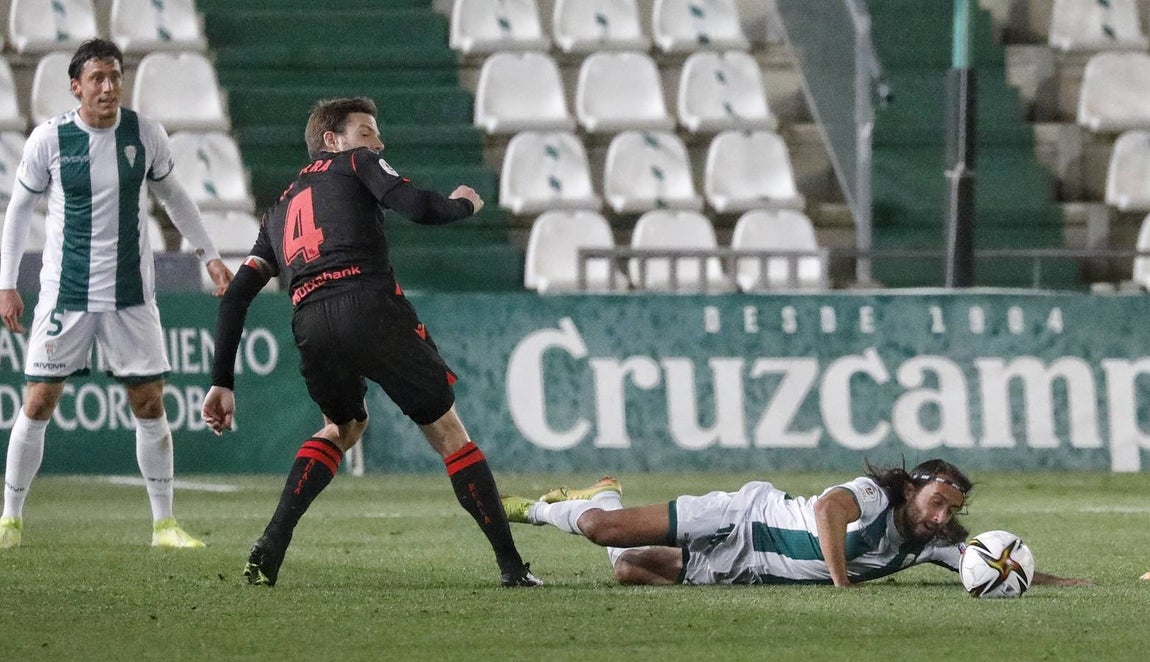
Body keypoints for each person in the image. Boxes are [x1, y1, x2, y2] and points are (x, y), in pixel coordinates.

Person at [200, 97, 541, 588]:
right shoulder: (355, 163)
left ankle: (273, 540)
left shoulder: (276, 211)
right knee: (448, 434)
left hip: (311, 320)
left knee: (342, 425)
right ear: (333, 142)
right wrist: (464, 202)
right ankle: (512, 566)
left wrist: (221, 382)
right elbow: (419, 207)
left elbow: (235, 297)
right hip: (369, 305)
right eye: (366, 132)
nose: (377, 143)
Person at [0, 39, 233, 550]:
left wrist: (210, 254)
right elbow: (18, 211)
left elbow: (175, 197)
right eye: (98, 78)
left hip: (131, 294)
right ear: (75, 86)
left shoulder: (144, 134)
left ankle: (164, 525)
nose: (108, 87)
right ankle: (9, 520)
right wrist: (7, 282)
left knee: (149, 402)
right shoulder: (50, 139)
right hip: (66, 295)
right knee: (39, 400)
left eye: (115, 77)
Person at [501, 459, 1088, 588]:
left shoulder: (925, 544)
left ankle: (606, 492)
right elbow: (829, 510)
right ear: (912, 488)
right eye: (937, 502)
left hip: (747, 569)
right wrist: (841, 581)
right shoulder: (874, 496)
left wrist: (1071, 583)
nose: (942, 518)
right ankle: (535, 508)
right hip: (743, 516)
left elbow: (996, 564)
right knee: (606, 530)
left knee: (629, 569)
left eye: (952, 513)